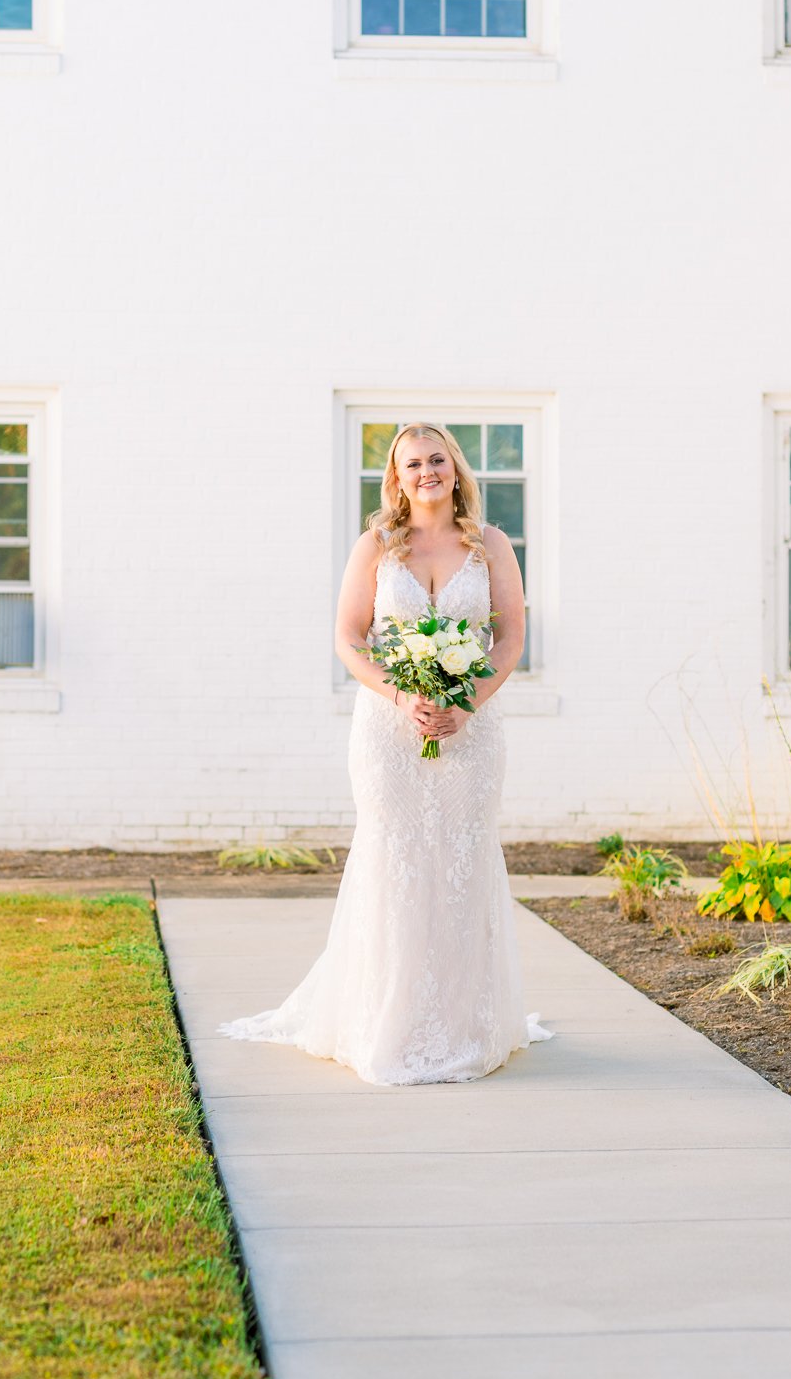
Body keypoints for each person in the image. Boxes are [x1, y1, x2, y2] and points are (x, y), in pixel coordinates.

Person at [217, 422, 552, 1084]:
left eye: (436, 459)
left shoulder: (491, 546)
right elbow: (348, 639)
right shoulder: (376, 545)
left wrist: (468, 700)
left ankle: (461, 1024)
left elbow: (510, 636)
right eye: (411, 463)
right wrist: (403, 698)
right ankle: (386, 1023)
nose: (425, 470)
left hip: (470, 731)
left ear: (455, 469)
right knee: (394, 861)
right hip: (387, 730)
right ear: (395, 479)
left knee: (460, 862)